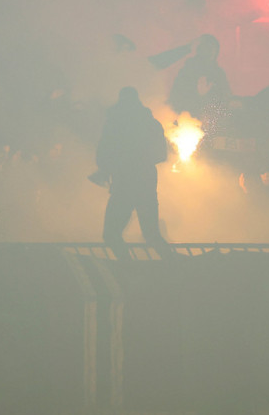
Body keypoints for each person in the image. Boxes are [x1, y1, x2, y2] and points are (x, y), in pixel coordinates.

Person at [96, 87, 171, 259]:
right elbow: (161, 154)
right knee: (152, 236)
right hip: (146, 184)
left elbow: (103, 153)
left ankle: (127, 268)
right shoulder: (152, 124)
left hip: (123, 186)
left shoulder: (114, 124)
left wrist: (110, 168)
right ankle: (176, 268)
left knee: (111, 234)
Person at [167, 34, 231, 119]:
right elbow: (177, 98)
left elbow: (224, 98)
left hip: (211, 119)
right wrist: (199, 95)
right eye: (208, 48)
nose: (211, 52)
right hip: (188, 120)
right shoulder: (188, 70)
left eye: (214, 49)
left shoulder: (218, 73)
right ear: (200, 50)